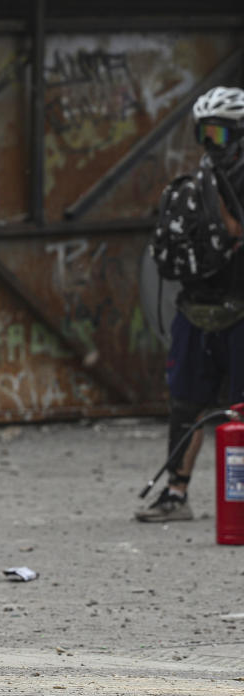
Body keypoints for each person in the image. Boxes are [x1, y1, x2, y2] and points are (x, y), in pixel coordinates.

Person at [137, 86, 244, 522]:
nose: (210, 146)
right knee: (185, 404)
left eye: (219, 135)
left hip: (240, 310)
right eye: (204, 134)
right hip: (195, 310)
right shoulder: (198, 184)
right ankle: (176, 494)